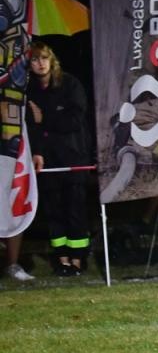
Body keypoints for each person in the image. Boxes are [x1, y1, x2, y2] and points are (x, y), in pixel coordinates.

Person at [26, 43, 92, 275]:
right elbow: (32, 127)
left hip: (74, 157)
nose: (40, 63)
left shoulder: (70, 84)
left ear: (52, 60)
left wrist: (45, 117)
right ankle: (62, 259)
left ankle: (78, 259)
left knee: (75, 209)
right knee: (53, 210)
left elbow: (74, 120)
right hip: (48, 159)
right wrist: (37, 152)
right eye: (34, 59)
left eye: (44, 58)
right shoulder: (30, 89)